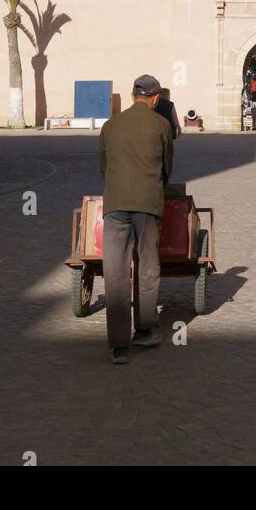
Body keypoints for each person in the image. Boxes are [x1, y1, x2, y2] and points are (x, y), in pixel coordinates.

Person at [98, 74, 174, 365]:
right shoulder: (161, 124)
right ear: (155, 99)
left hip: (115, 204)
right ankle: (144, 329)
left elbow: (102, 166)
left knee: (115, 271)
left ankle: (118, 345)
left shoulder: (110, 124)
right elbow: (168, 167)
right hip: (147, 204)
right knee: (147, 267)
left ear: (132, 96)